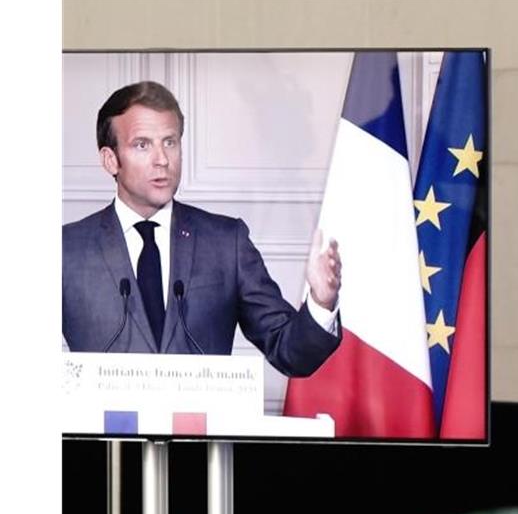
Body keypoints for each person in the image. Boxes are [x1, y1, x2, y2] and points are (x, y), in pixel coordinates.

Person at [63, 81, 342, 377]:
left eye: (170, 142)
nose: (162, 160)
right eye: (142, 145)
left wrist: (322, 302)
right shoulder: (66, 250)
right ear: (110, 159)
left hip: (200, 423)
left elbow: (290, 352)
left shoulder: (225, 243)